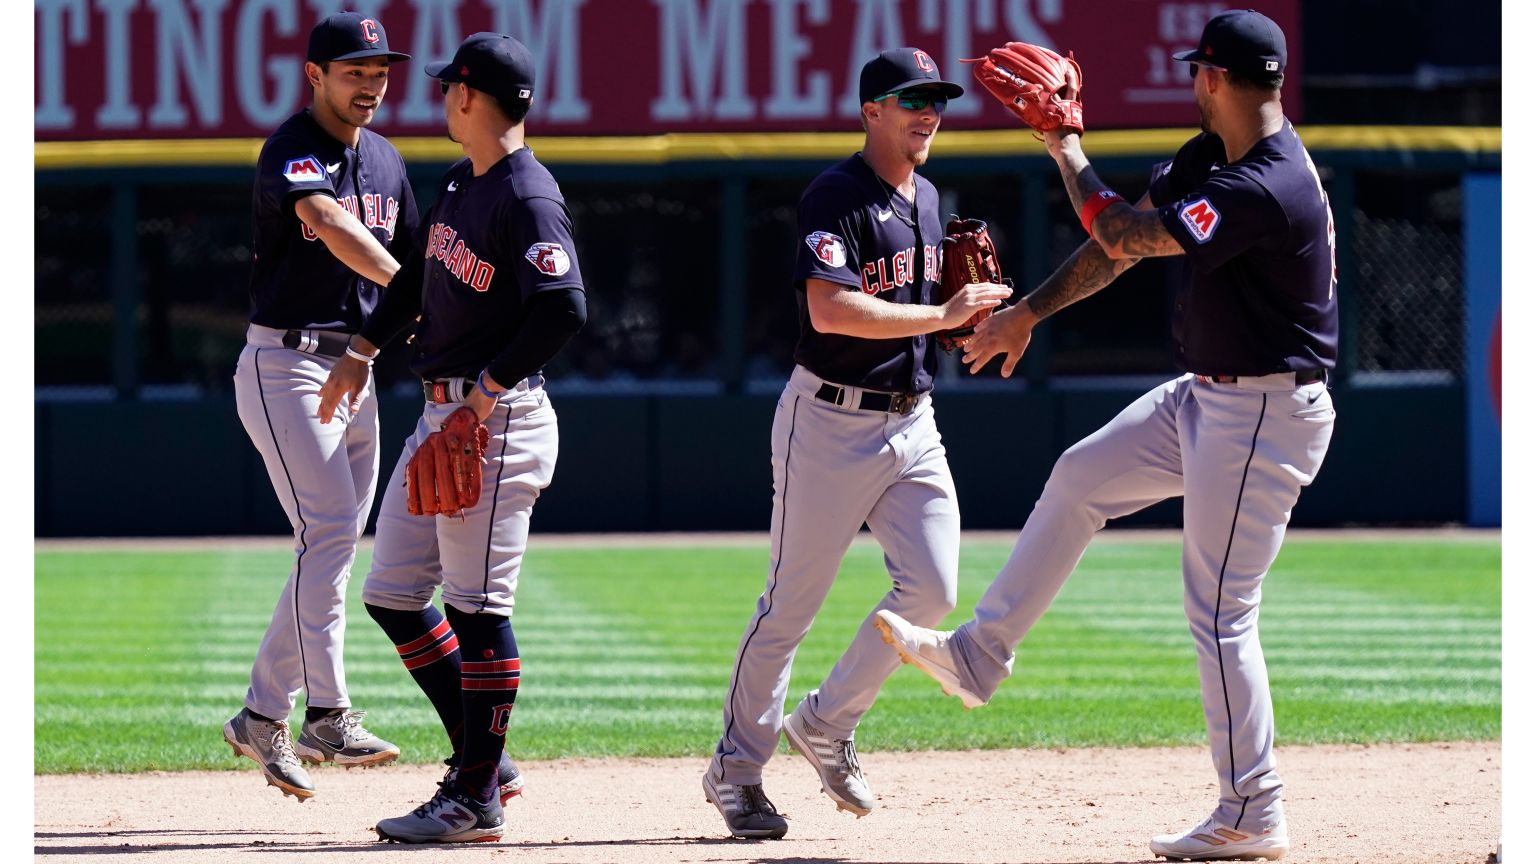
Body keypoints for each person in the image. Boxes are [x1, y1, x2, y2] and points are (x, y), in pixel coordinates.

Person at [874, 11, 1335, 862]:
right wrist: (1025, 314)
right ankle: (979, 655)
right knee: (1083, 476)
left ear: (1214, 81)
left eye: (1199, 71)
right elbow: (1117, 246)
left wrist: (1065, 143)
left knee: (1222, 613)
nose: (1193, 82)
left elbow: (1121, 232)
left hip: (1264, 414)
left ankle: (1252, 809)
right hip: (1210, 398)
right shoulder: (1217, 159)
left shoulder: (1266, 182)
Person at [702, 47, 1012, 840]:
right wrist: (941, 316)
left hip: (914, 419)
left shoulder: (930, 194)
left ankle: (827, 722)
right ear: (871, 110)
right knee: (790, 606)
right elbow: (833, 311)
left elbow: (919, 310)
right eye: (911, 99)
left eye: (936, 99)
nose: (928, 111)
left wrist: (960, 329)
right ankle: (736, 772)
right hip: (831, 420)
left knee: (934, 592)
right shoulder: (834, 195)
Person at [317, 31, 587, 844]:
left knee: (476, 607)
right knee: (393, 593)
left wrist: (486, 394)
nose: (438, 98)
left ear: (469, 95)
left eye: (445, 88)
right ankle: (485, 755)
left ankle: (473, 796)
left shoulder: (527, 196)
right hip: (443, 415)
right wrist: (364, 350)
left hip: (494, 422)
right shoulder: (463, 183)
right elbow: (414, 284)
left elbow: (564, 308)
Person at [223, 10, 416, 802]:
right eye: (353, 71)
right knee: (331, 530)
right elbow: (332, 225)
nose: (369, 84)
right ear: (315, 76)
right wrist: (412, 292)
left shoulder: (389, 161)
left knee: (329, 541)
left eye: (379, 71)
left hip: (355, 366)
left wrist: (398, 327)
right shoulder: (291, 148)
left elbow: (413, 262)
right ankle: (327, 711)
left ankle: (262, 713)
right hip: (285, 364)